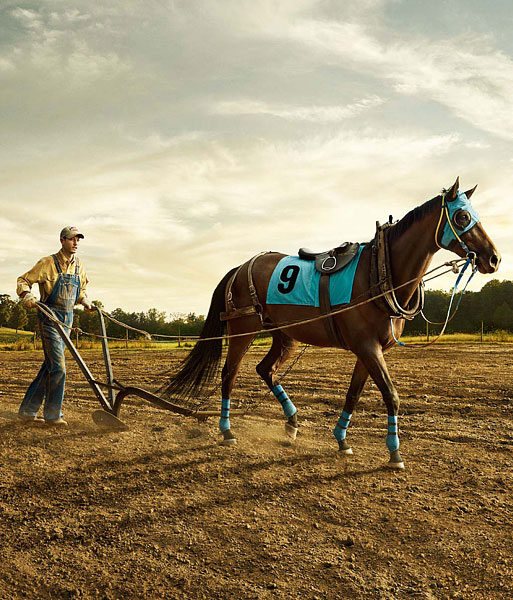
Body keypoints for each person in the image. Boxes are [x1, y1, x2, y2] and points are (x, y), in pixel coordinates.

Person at [16, 226, 92, 426]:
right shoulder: (47, 263)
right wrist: (27, 295)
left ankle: (27, 410)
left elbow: (81, 291)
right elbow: (23, 280)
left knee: (50, 366)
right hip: (49, 318)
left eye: (78, 240)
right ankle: (53, 415)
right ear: (62, 241)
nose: (75, 243)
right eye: (71, 239)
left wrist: (85, 301)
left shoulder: (80, 267)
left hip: (67, 320)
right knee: (58, 367)